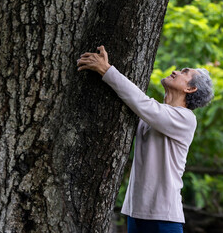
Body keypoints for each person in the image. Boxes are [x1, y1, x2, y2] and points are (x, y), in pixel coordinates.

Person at [77, 46, 214, 233]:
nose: (175, 71)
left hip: (163, 216)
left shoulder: (186, 119)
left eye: (184, 72)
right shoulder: (155, 116)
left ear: (190, 88)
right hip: (136, 213)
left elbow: (142, 103)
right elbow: (141, 105)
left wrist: (106, 70)